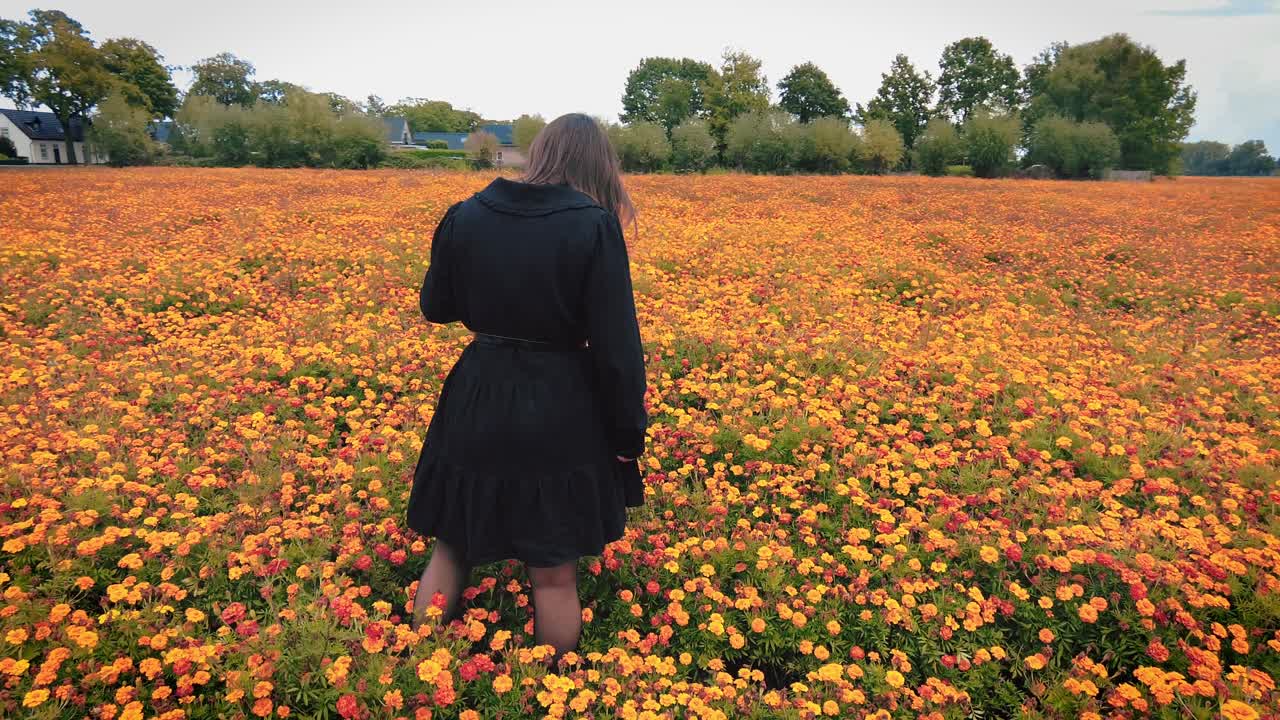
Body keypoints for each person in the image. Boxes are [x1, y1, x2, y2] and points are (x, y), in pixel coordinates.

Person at [405, 113, 648, 665]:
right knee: (554, 573)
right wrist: (628, 434)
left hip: (479, 390)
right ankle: (546, 686)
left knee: (452, 544)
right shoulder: (593, 225)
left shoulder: (465, 215)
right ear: (598, 166)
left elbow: (435, 308)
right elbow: (618, 350)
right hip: (560, 402)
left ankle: (418, 667)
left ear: (539, 153)